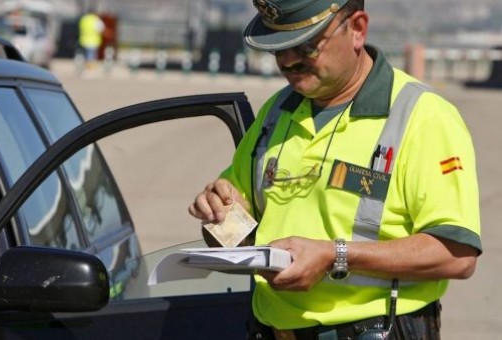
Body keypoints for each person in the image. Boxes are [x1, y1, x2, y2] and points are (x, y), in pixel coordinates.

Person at [188, 0, 482, 339]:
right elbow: (239, 236)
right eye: (277, 48)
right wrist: (218, 216)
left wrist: (335, 256)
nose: (287, 61)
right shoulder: (276, 113)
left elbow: (457, 255)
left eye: (306, 45)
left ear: (357, 29)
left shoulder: (422, 117)